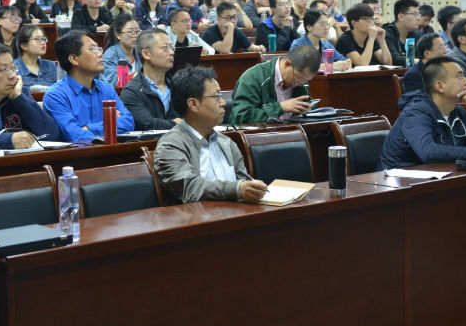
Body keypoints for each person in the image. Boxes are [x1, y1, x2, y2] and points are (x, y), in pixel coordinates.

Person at [153, 66, 267, 205]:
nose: (223, 102)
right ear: (193, 104)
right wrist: (236, 189)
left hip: (235, 214)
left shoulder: (226, 142)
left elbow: (243, 183)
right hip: (193, 217)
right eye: (216, 96)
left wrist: (252, 189)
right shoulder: (171, 146)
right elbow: (190, 188)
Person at [379, 57, 466, 169]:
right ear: (439, 86)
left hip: (440, 174)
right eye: (459, 76)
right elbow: (428, 152)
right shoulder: (416, 112)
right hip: (400, 180)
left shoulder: (457, 111)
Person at [42, 30, 135, 142]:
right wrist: (110, 123)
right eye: (92, 49)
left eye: (99, 49)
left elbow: (128, 122)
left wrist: (89, 128)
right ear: (74, 59)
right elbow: (74, 135)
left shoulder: (106, 89)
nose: (100, 54)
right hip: (79, 153)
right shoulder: (56, 95)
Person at [230, 45, 320, 124]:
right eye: (298, 77)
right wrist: (280, 107)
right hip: (261, 135)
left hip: (293, 133)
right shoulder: (253, 77)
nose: (300, 83)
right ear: (287, 64)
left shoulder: (301, 81)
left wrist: (308, 108)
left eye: (306, 80)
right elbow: (241, 116)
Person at [121, 29, 181, 131]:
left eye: (171, 47)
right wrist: (175, 123)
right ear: (146, 53)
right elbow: (147, 124)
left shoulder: (179, 86)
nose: (171, 52)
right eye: (165, 47)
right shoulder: (132, 91)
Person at [12, 24, 57, 92]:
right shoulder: (13, 68)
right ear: (24, 46)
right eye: (37, 39)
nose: (43, 43)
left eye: (43, 39)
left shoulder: (51, 65)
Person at [101, 13, 142, 87]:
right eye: (130, 32)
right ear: (118, 35)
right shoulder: (110, 56)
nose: (135, 36)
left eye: (137, 31)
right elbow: (111, 81)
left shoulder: (141, 52)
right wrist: (134, 77)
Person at [381, 0, 420, 65]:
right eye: (415, 14)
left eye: (418, 15)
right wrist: (421, 61)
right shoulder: (387, 34)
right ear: (401, 17)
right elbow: (395, 59)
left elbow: (420, 56)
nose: (418, 18)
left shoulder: (415, 34)